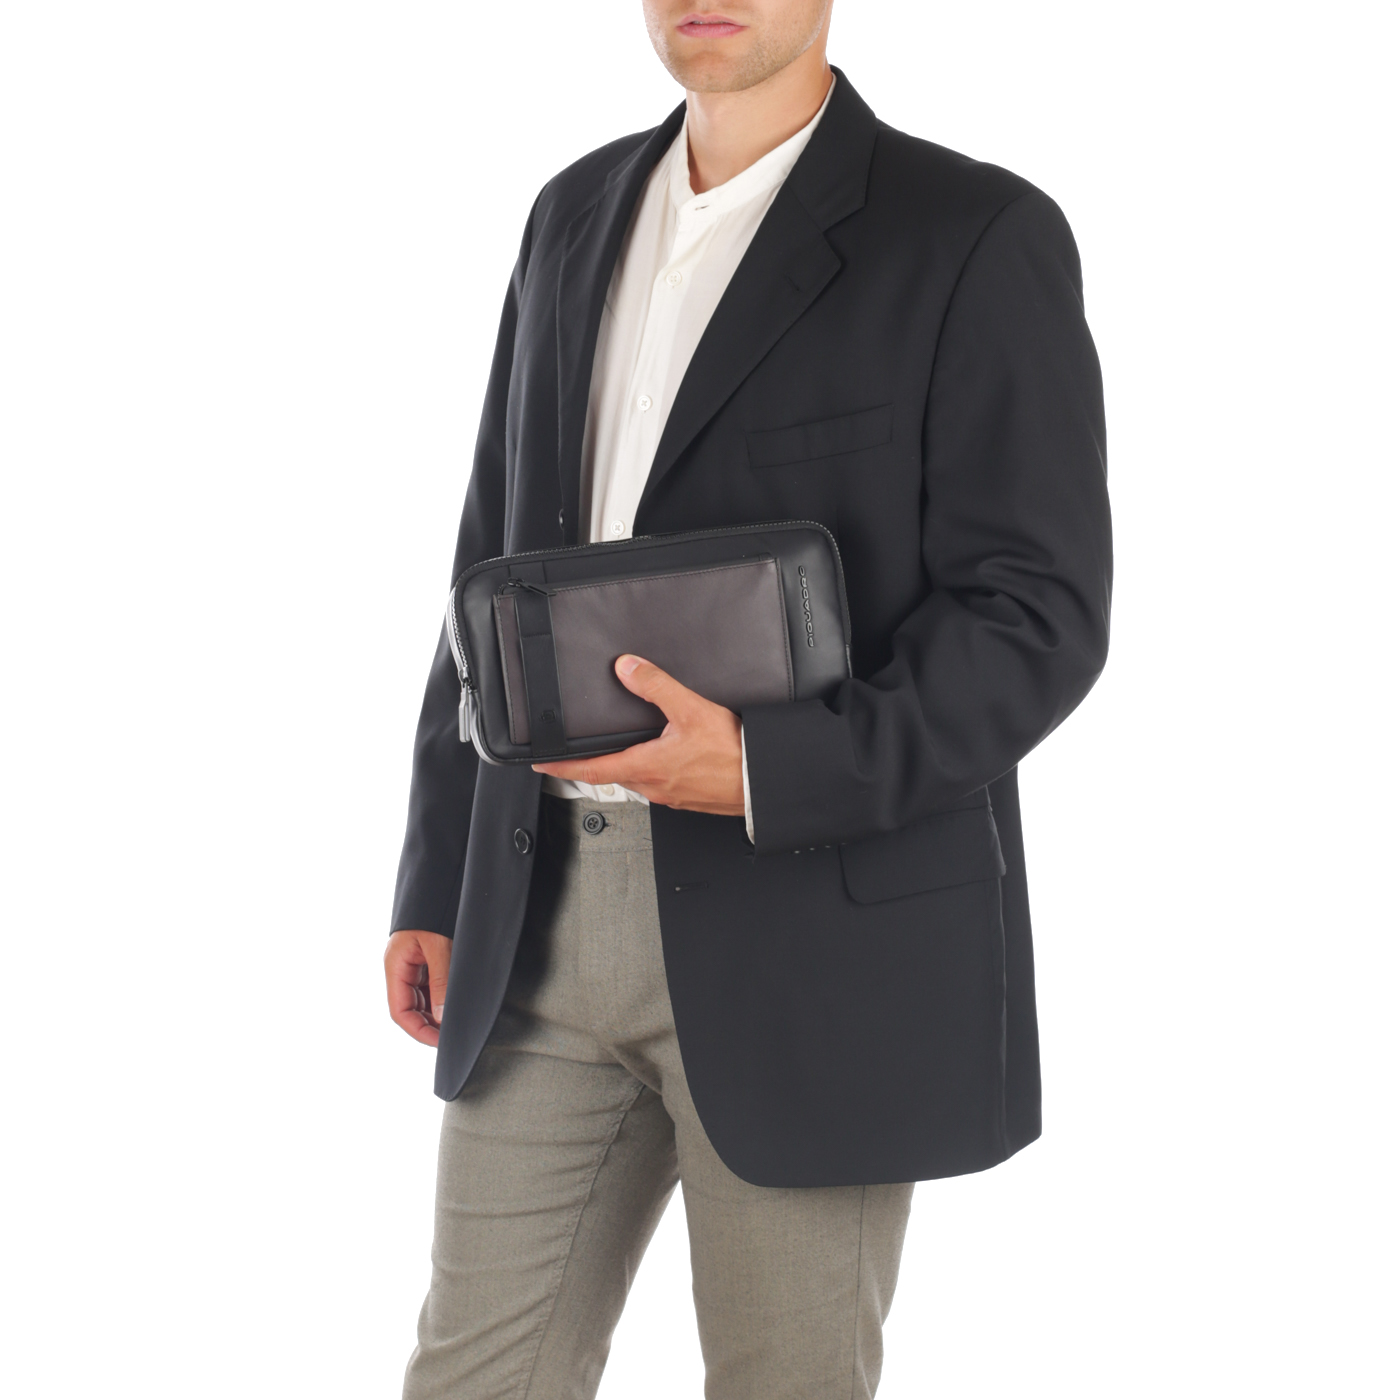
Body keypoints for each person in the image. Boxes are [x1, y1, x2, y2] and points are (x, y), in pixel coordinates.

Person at [384, 2, 1111, 1395]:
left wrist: (774, 766)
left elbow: (1036, 616)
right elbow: (490, 574)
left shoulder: (970, 234)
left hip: (813, 928)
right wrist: (437, 871)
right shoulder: (572, 214)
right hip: (537, 912)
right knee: (470, 1375)